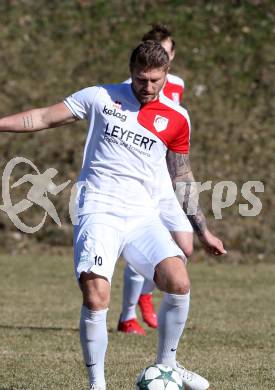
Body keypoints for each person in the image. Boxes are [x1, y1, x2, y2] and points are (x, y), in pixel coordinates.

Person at [0, 41, 219, 390]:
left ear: (167, 74)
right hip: (98, 209)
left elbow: (182, 175)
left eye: (155, 80)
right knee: (96, 294)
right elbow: (42, 117)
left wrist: (202, 230)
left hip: (142, 214)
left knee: (179, 280)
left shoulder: (177, 117)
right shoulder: (100, 97)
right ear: (130, 72)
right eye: (141, 79)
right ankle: (97, 386)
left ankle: (167, 367)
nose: (148, 87)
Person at [117, 24, 226, 336]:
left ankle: (146, 294)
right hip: (143, 182)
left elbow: (174, 130)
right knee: (143, 243)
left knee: (185, 247)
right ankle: (128, 315)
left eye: (164, 52)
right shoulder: (131, 87)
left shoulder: (176, 85)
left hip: (170, 179)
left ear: (171, 56)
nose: (149, 83)